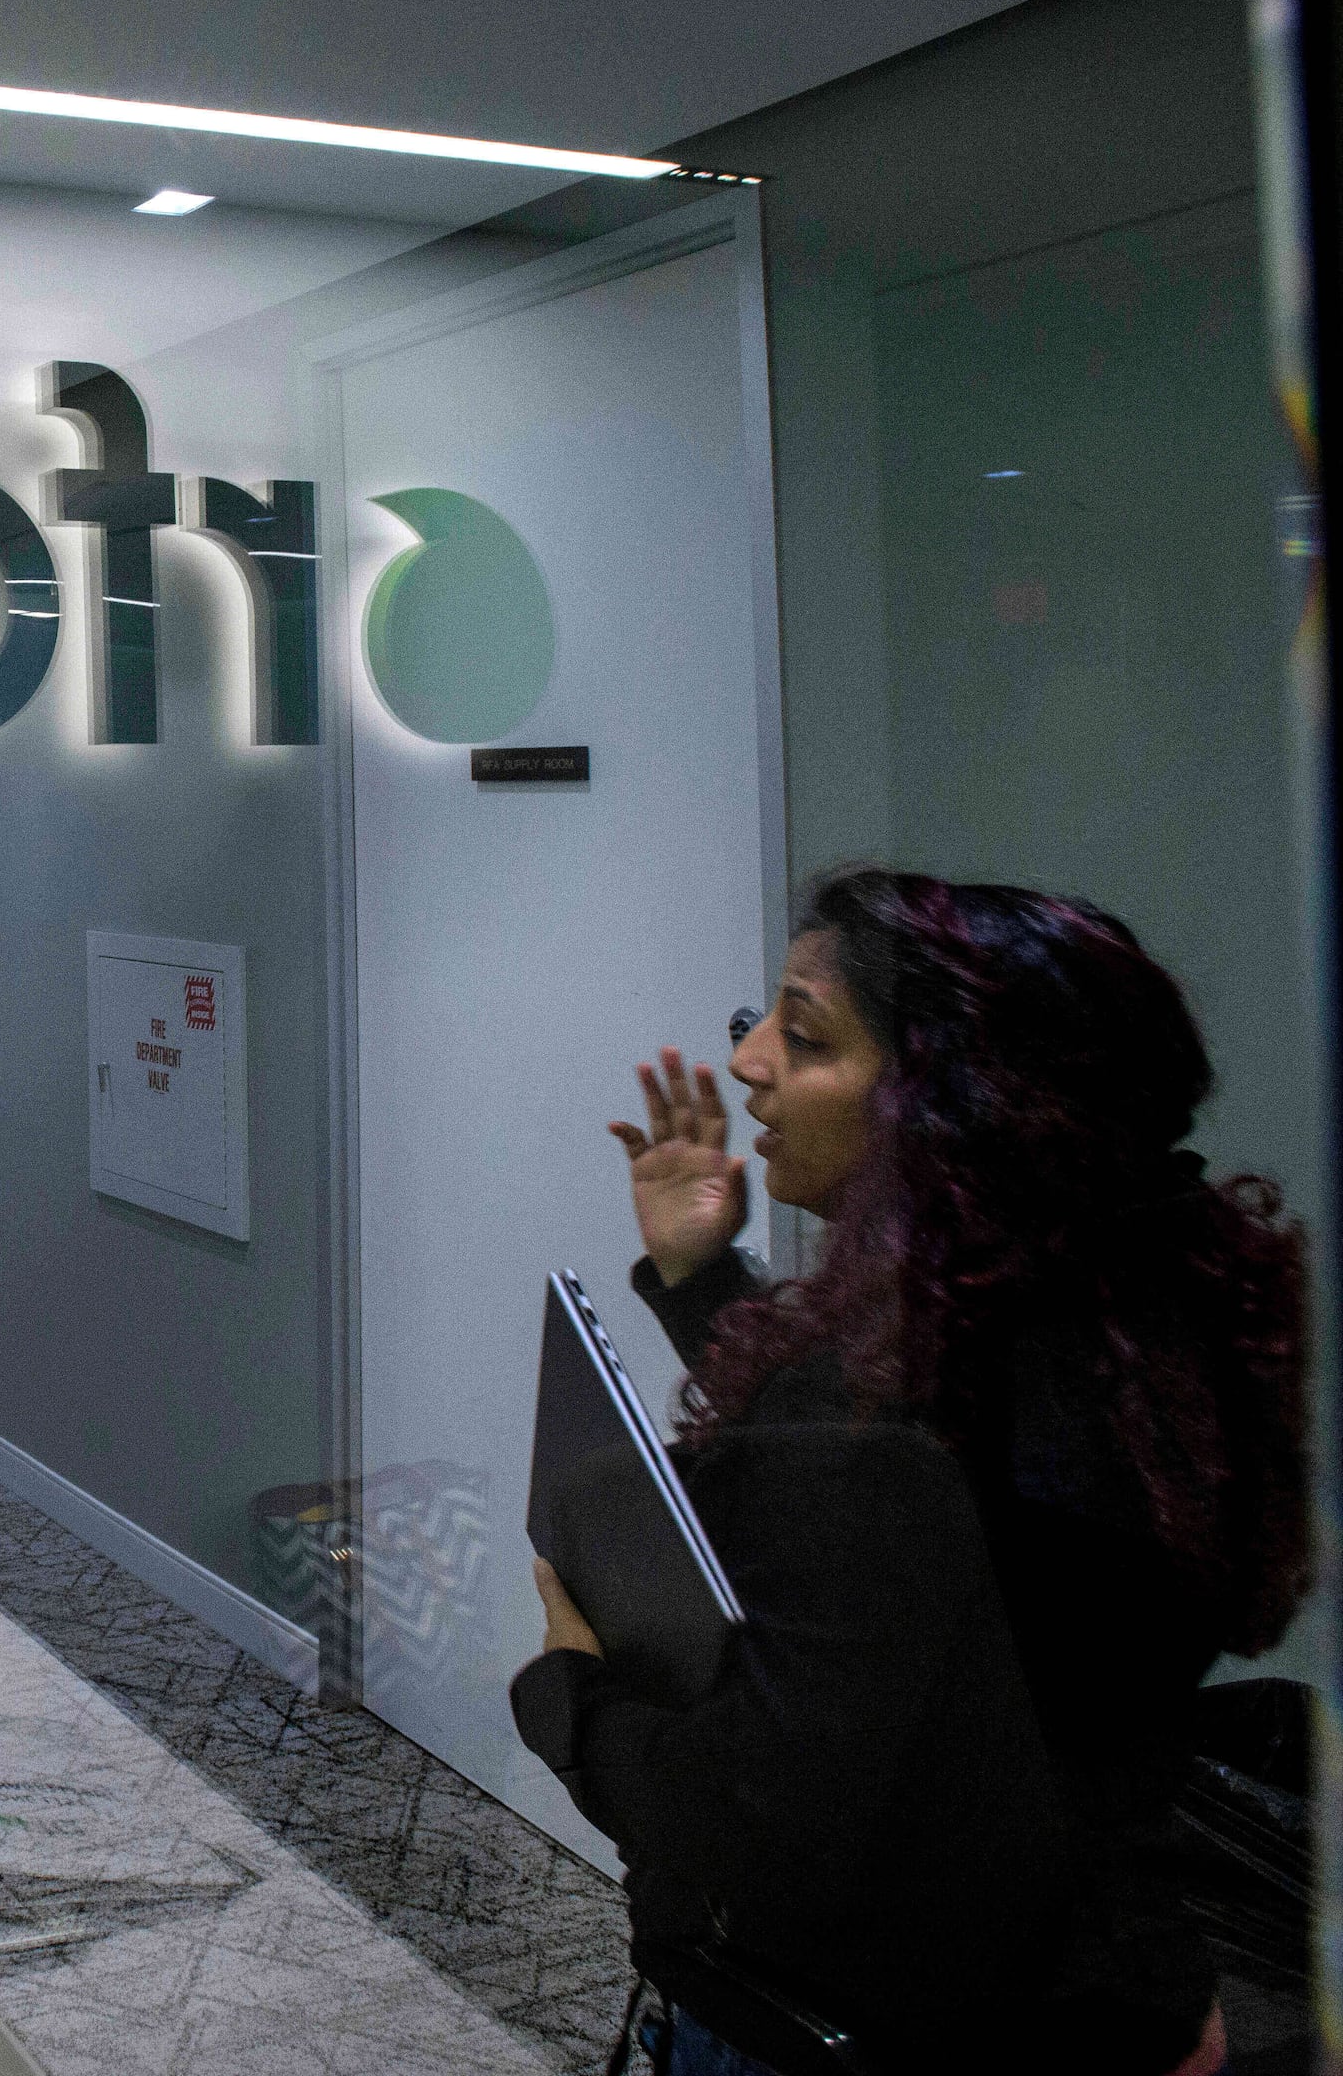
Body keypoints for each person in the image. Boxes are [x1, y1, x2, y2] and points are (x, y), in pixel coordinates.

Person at [513, 868, 1309, 2076]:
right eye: (760, 1018)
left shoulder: (900, 1431)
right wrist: (701, 1279)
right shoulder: (1139, 1320)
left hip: (870, 2013)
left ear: (957, 1104)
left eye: (807, 1033)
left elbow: (749, 1816)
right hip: (1103, 1985)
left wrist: (569, 1694)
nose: (749, 1063)